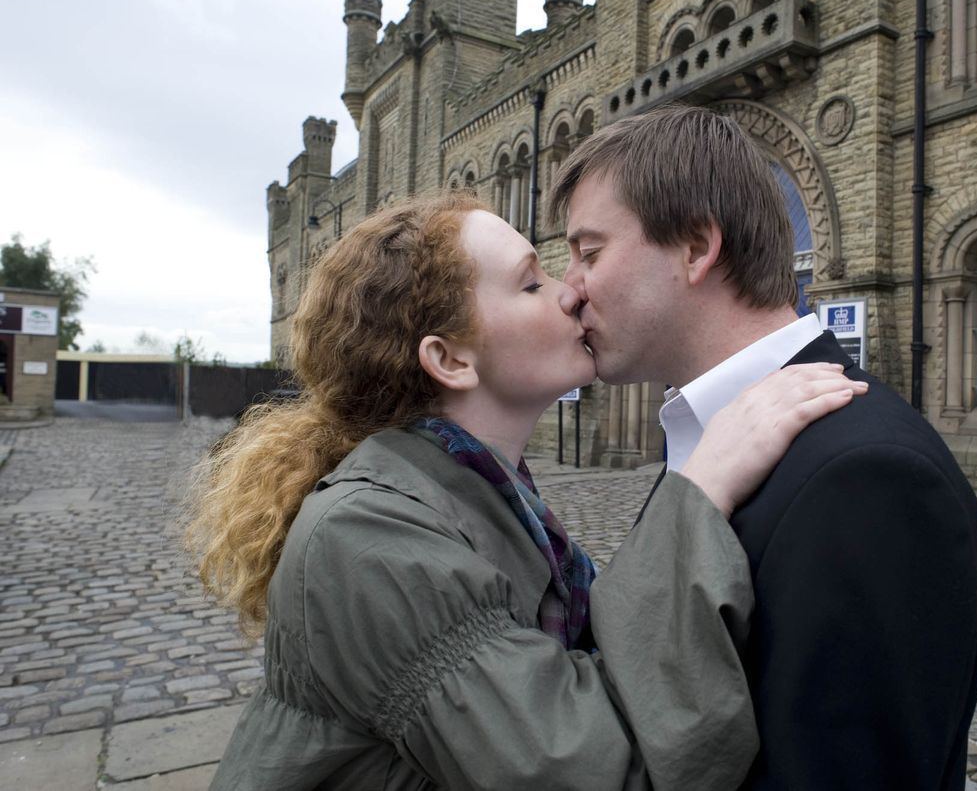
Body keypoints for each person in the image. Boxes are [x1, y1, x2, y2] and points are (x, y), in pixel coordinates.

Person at [186, 193, 866, 790]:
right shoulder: (368, 535)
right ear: (449, 358)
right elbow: (600, 769)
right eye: (531, 283)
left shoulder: (491, 496)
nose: (570, 291)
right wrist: (698, 486)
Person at [550, 105, 977, 790]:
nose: (567, 291)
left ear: (696, 247)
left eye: (589, 252)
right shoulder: (709, 436)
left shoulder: (868, 477)